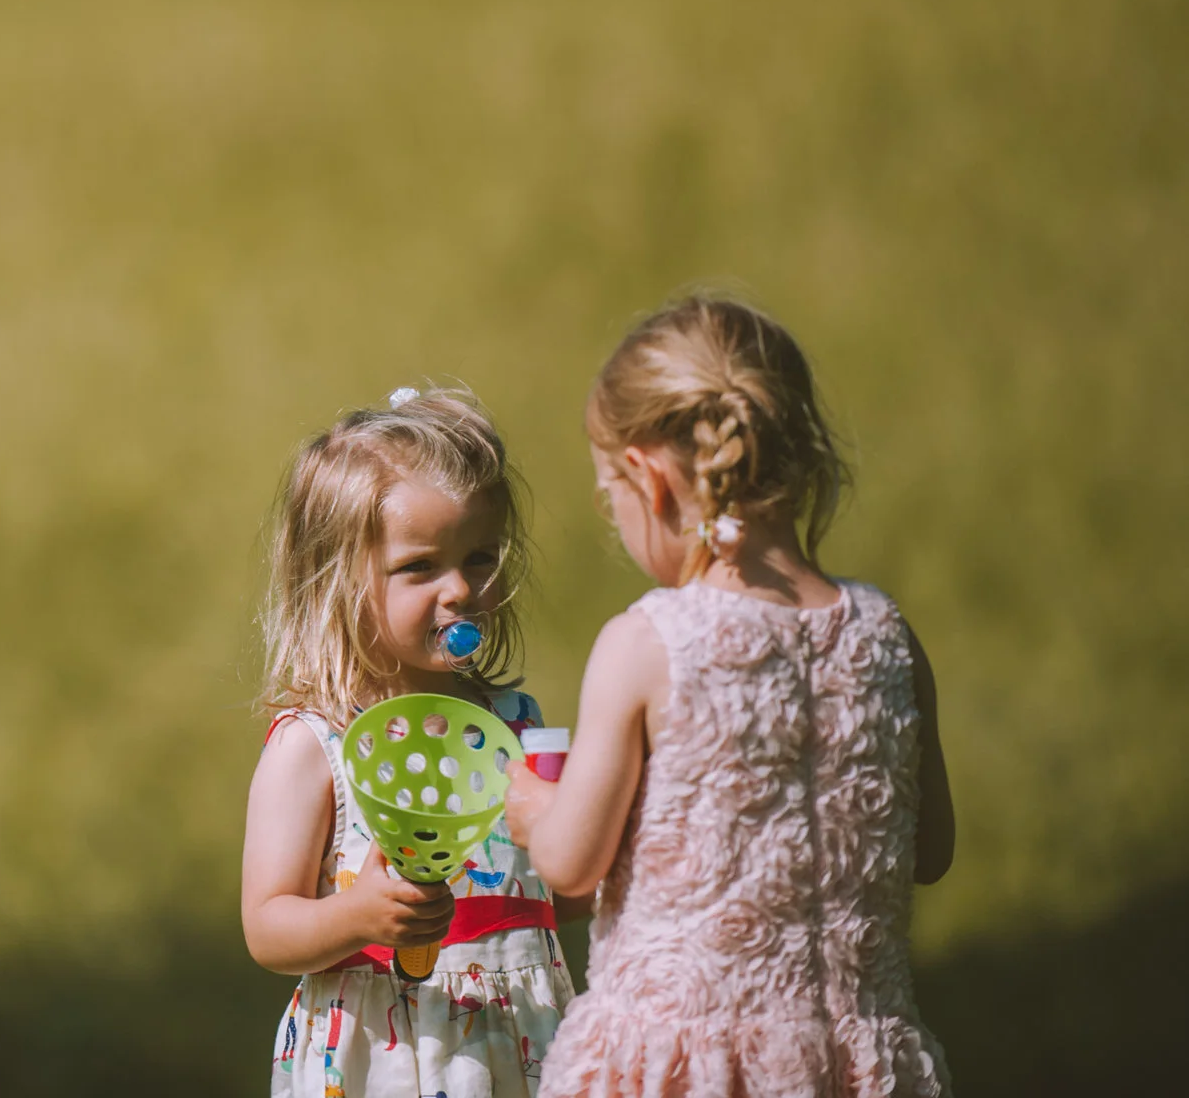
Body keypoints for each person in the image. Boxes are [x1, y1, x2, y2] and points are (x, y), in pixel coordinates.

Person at [505, 296, 955, 1097]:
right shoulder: (888, 634)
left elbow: (573, 861)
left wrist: (533, 804)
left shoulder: (651, 643)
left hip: (680, 1066)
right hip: (853, 1065)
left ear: (645, 474)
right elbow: (932, 849)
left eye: (610, 488)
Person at [245, 386, 581, 1098]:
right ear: (333, 582)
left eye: (480, 559)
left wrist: (587, 846)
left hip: (519, 1049)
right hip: (386, 1060)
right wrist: (357, 915)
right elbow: (268, 925)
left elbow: (553, 896)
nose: (460, 590)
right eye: (420, 567)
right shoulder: (315, 745)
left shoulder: (515, 724)